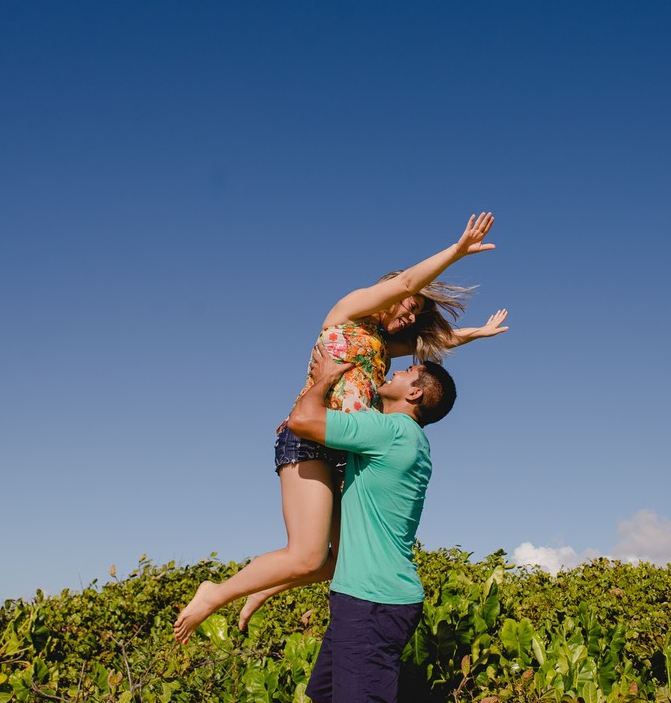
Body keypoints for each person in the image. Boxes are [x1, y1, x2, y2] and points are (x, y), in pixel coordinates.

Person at [173, 212, 505, 644]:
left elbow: (435, 343)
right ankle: (215, 594)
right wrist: (457, 252)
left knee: (333, 562)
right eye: (409, 308)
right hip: (308, 434)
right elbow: (406, 284)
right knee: (306, 554)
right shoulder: (346, 311)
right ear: (388, 291)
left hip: (343, 446)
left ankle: (260, 588)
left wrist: (476, 332)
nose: (409, 316)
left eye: (415, 314)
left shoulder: (385, 343)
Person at [288, 341, 453, 703]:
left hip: (371, 601)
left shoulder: (389, 432)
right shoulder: (413, 441)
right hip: (368, 598)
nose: (395, 371)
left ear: (414, 393)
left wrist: (324, 378)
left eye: (406, 372)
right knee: (324, 695)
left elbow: (301, 421)